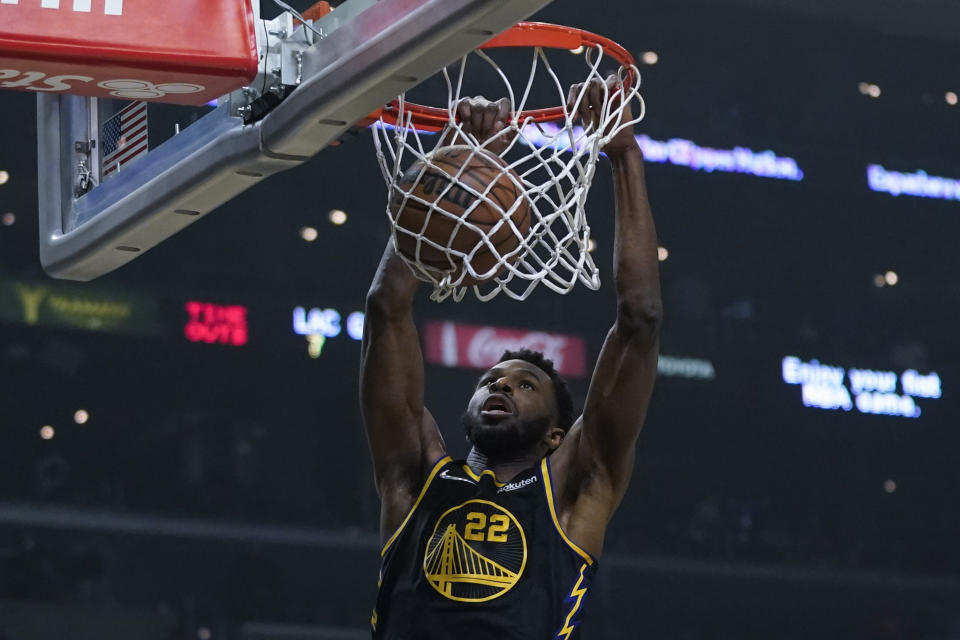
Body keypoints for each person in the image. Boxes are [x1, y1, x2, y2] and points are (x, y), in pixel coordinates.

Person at [360, 77, 662, 639]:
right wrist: (454, 174)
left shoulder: (575, 489)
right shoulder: (414, 476)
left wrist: (623, 155)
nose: (500, 387)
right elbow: (386, 309)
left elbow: (639, 320)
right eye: (492, 381)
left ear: (555, 435)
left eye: (525, 386)